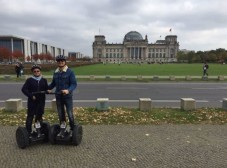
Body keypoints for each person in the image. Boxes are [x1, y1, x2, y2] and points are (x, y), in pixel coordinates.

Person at [47, 55, 77, 136]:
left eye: (62, 61)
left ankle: (72, 128)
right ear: (57, 62)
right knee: (61, 114)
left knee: (69, 113)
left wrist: (68, 90)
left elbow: (74, 84)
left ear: (65, 62)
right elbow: (53, 83)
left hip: (67, 97)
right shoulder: (56, 72)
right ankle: (63, 129)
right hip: (58, 96)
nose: (60, 62)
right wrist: (48, 88)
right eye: (59, 61)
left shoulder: (70, 72)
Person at [21, 65, 48, 137]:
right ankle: (28, 133)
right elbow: (24, 89)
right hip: (32, 101)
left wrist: (48, 90)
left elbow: (46, 89)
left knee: (39, 116)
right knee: (30, 116)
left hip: (41, 101)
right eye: (35, 71)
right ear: (33, 72)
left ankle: (39, 131)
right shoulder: (29, 80)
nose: (36, 72)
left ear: (40, 72)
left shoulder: (44, 80)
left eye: (38, 71)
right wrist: (31, 95)